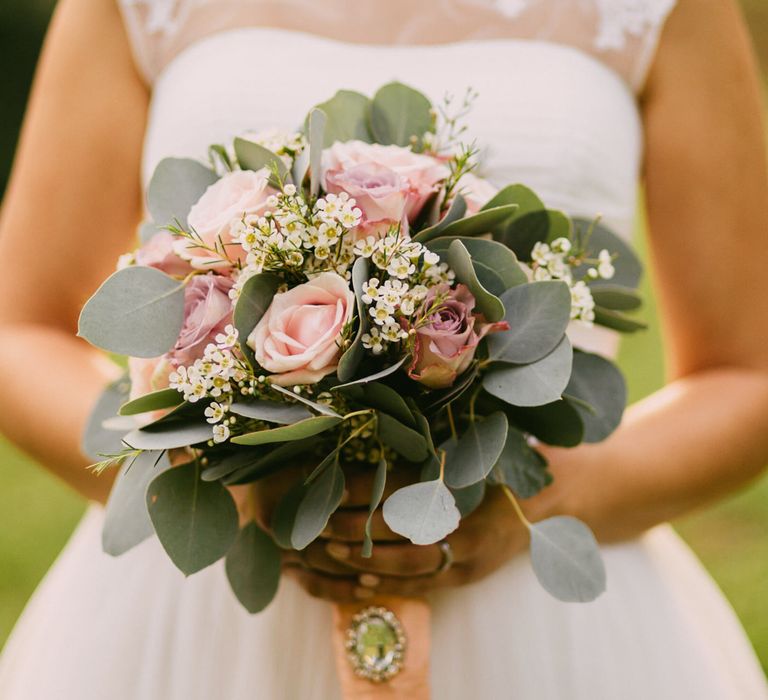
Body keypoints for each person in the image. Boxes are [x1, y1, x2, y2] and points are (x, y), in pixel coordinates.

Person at [1, 0, 767, 697]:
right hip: (200, 602)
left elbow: (749, 373)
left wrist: (543, 499)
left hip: (539, 606)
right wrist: (220, 483)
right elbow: (19, 329)